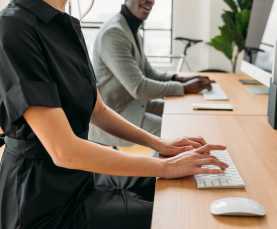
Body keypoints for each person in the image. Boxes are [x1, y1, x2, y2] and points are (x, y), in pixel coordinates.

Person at [0, 0, 228, 228]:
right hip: (42, 198)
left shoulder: (65, 23)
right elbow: (64, 151)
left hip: (80, 177)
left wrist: (158, 143)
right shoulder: (13, 26)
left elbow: (98, 109)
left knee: (182, 187)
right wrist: (166, 167)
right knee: (176, 216)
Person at [89, 0, 212, 147]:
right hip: (114, 113)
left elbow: (148, 72)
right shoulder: (114, 33)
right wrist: (184, 88)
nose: (150, 1)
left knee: (181, 118)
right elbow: (139, 88)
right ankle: (162, 168)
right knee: (173, 132)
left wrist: (179, 79)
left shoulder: (131, 30)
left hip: (132, 104)